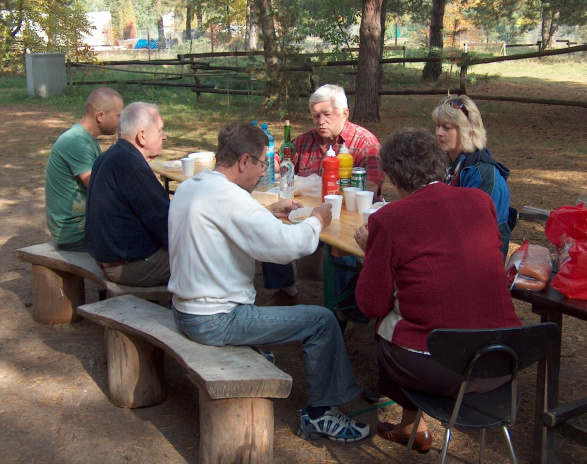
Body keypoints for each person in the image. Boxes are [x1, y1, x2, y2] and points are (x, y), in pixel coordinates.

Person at [167, 122, 369, 443]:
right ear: (244, 161)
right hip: (215, 320)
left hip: (185, 308)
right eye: (262, 163)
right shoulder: (233, 200)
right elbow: (286, 248)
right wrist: (317, 220)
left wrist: (269, 211)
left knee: (268, 304)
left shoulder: (194, 186)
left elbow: (230, 222)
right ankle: (321, 414)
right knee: (321, 320)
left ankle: (263, 357)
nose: (263, 172)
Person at [353, 127, 521, 452]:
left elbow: (370, 303)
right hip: (503, 360)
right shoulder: (480, 201)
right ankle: (409, 427)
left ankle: (410, 424)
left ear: (392, 176)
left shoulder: (390, 218)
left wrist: (373, 248)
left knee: (387, 321)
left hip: (441, 369)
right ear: (439, 163)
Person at [264, 84, 383, 306]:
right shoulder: (304, 141)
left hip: (347, 219)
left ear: (344, 113)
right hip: (306, 214)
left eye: (327, 115)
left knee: (340, 246)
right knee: (269, 225)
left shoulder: (364, 142)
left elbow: (371, 187)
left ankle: (343, 309)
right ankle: (286, 290)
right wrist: (272, 163)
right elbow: (279, 161)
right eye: (315, 116)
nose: (320, 122)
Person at [85, 102, 170, 287]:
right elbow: (167, 225)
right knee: (209, 258)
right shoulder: (131, 166)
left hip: (111, 257)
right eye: (160, 130)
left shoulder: (111, 156)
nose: (164, 136)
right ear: (142, 136)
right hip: (128, 266)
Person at [432, 94, 513, 260]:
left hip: (478, 261)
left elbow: (476, 233)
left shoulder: (484, 175)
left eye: (447, 127)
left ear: (468, 131)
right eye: (437, 126)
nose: (439, 133)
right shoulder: (447, 161)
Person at [45, 87, 123, 251]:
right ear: (100, 116)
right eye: (118, 116)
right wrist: (119, 149)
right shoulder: (77, 142)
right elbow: (100, 188)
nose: (121, 121)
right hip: (76, 233)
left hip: (83, 225)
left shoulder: (85, 139)